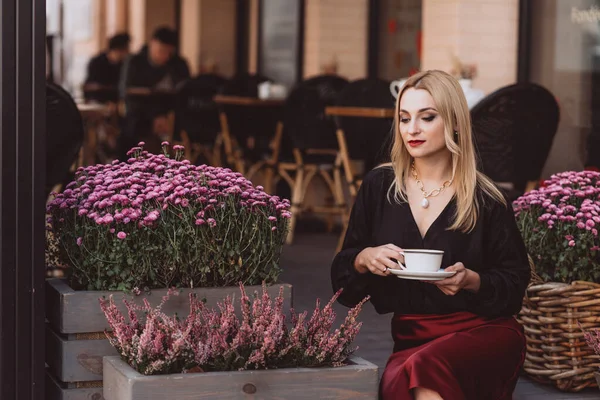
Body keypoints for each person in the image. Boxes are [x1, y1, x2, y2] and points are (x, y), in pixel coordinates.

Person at [331, 70, 530, 400]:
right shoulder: (379, 188)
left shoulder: (486, 197)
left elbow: (515, 283)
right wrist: (364, 259)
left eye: (427, 117)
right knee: (405, 378)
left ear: (453, 122)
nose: (412, 129)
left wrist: (472, 280)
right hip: (412, 338)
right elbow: (343, 282)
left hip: (482, 332)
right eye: (404, 118)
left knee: (425, 370)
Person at [118, 26, 190, 159]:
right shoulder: (135, 62)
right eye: (160, 51)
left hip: (171, 115)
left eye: (168, 53)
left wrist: (166, 116)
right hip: (141, 114)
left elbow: (184, 92)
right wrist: (153, 117)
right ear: (151, 44)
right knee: (132, 127)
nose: (164, 56)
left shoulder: (178, 65)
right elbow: (127, 94)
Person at [84, 33, 131, 103]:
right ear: (117, 50)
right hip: (97, 103)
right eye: (126, 49)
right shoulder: (97, 62)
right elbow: (90, 87)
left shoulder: (124, 64)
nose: (128, 53)